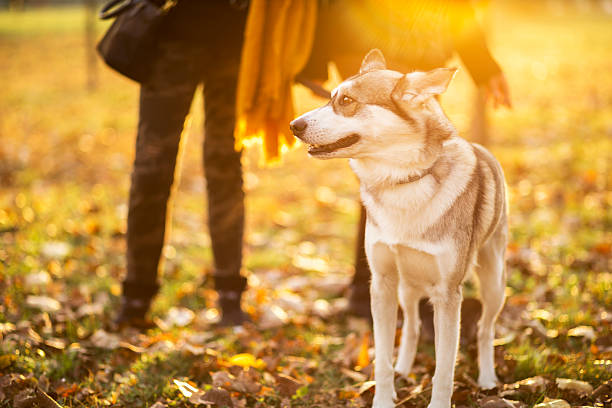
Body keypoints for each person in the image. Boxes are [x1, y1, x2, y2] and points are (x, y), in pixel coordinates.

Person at [298, 0, 511, 319]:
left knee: (407, 167)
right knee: (399, 168)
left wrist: (482, 62)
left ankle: (371, 291)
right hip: (360, 30)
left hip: (414, 35)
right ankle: (407, 297)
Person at [115, 0, 250, 328]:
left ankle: (230, 295)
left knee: (226, 166)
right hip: (171, 39)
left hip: (236, 43)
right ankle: (136, 297)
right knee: (152, 168)